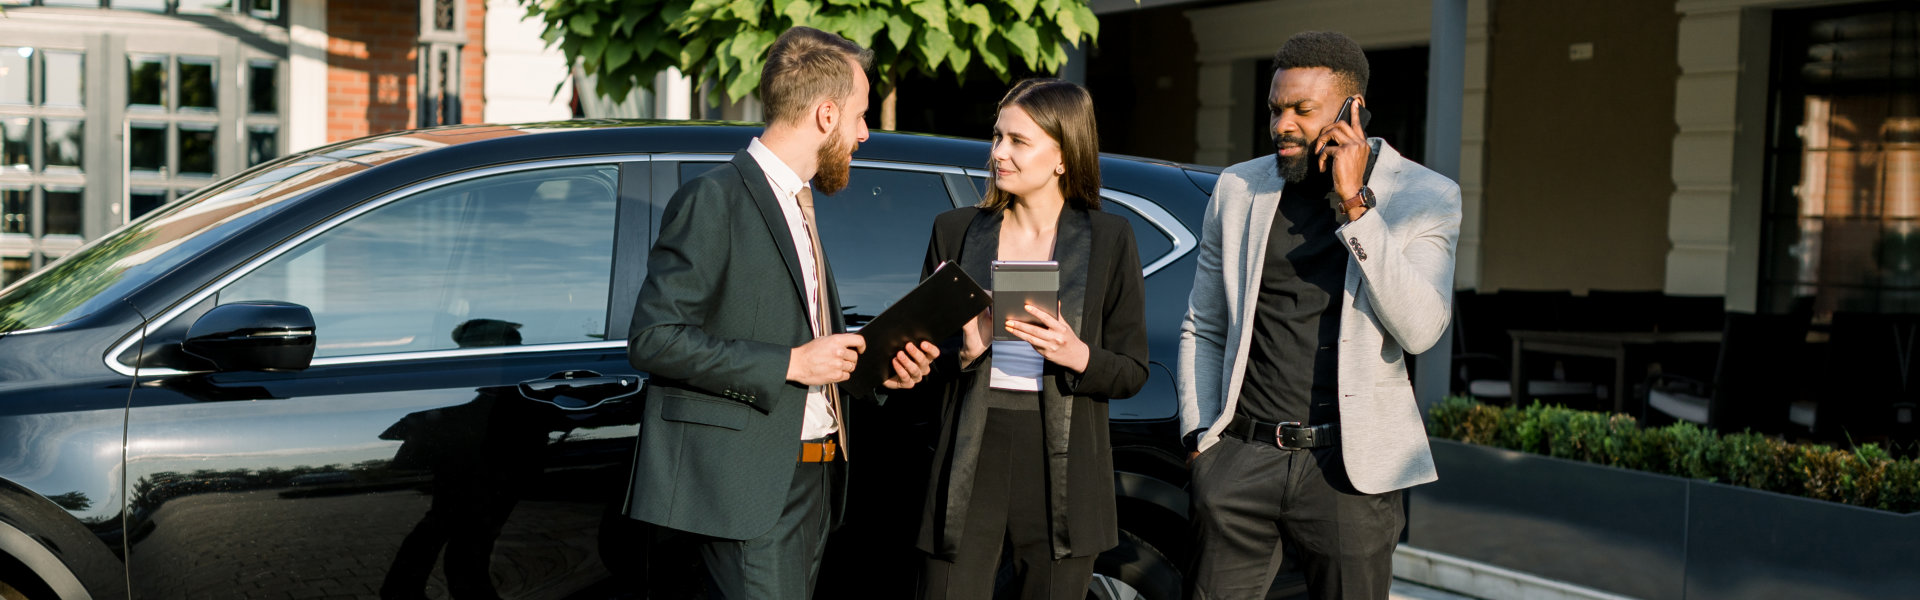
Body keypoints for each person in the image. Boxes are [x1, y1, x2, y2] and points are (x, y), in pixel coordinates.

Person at [624, 26, 939, 600]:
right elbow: (655, 338)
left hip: (816, 481)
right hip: (746, 488)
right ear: (825, 114)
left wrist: (878, 373)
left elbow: (810, 341)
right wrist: (791, 363)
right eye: (860, 116)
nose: (865, 134)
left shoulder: (800, 201)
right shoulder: (713, 198)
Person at [1175, 31, 1462, 600]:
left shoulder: (1426, 195)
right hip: (1241, 462)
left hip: (1350, 477)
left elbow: (1421, 328)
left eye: (1302, 111)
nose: (1283, 124)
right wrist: (1202, 438)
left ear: (1352, 112)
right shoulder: (1238, 188)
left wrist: (1356, 206)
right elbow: (1203, 325)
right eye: (1276, 108)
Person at [912, 78, 1149, 600]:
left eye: (1019, 141)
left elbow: (1133, 371)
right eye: (997, 137)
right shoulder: (954, 231)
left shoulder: (1110, 239)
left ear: (1063, 156)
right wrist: (967, 349)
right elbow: (918, 360)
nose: (999, 154)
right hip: (970, 453)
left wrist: (1076, 353)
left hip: (1063, 461)